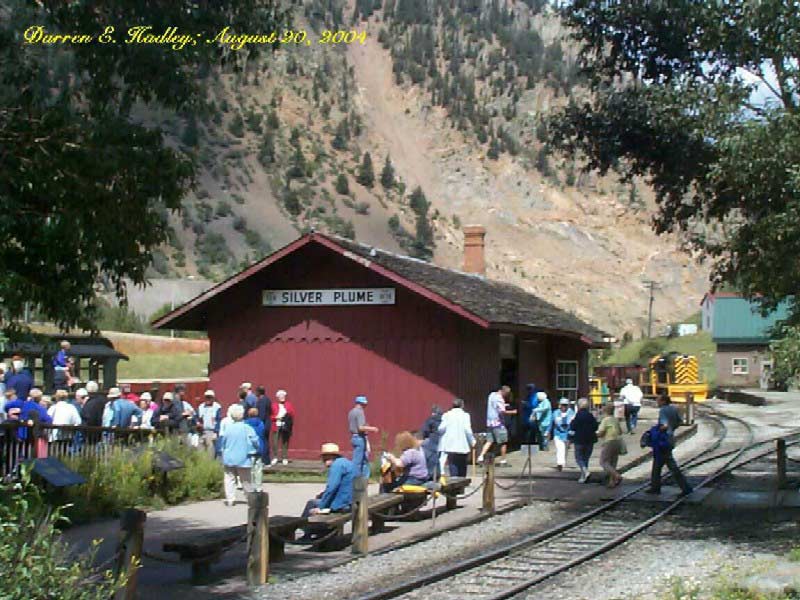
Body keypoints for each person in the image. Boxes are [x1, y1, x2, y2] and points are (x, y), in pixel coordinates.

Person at [299, 443, 355, 542]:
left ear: (329, 457)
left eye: (324, 457)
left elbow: (331, 488)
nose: (323, 460)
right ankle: (315, 532)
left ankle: (307, 532)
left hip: (341, 505)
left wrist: (321, 507)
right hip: (351, 502)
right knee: (317, 499)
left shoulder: (336, 466)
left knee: (311, 504)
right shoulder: (346, 463)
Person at [647, 395, 693, 496]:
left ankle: (685, 488)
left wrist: (655, 431)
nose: (657, 402)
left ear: (663, 401)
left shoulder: (663, 410)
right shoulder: (673, 409)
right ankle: (655, 487)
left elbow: (664, 425)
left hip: (663, 440)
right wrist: (672, 429)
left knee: (668, 465)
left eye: (658, 400)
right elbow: (679, 422)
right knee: (658, 464)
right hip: (670, 438)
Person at [220, 404, 260, 506]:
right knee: (246, 480)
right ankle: (250, 498)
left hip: (229, 457)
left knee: (229, 479)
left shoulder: (228, 428)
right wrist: (256, 448)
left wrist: (222, 451)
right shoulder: (247, 428)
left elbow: (223, 442)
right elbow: (255, 440)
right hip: (243, 457)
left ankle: (230, 499)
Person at [437, 398, 476, 477]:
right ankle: (461, 484)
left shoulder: (447, 415)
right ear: (462, 405)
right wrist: (472, 441)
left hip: (450, 444)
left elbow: (441, 428)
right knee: (462, 465)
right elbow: (467, 429)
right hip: (462, 444)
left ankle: (454, 482)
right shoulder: (465, 415)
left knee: (453, 465)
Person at [477, 385, 514, 466]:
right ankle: (503, 461)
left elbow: (495, 406)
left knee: (489, 441)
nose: (506, 395)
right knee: (503, 442)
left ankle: (480, 457)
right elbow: (502, 411)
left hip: (490, 423)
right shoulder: (500, 399)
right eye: (506, 394)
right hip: (498, 423)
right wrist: (513, 412)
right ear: (504, 392)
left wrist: (505, 405)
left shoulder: (492, 395)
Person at [569, 398, 598, 483]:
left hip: (579, 440)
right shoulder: (591, 416)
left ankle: (585, 472)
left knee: (579, 458)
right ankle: (583, 476)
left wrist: (570, 438)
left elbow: (572, 427)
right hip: (590, 440)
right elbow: (595, 426)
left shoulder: (577, 416)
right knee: (586, 458)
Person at [348, 395, 378, 479]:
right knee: (358, 461)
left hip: (354, 437)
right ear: (362, 404)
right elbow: (360, 427)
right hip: (359, 437)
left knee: (363, 459)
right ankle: (356, 480)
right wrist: (372, 428)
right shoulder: (360, 412)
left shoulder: (351, 412)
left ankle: (363, 479)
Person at [596, 403, 624, 487]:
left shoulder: (605, 420)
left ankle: (617, 476)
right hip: (618, 441)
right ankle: (612, 482)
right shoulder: (615, 419)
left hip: (609, 441)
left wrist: (595, 434)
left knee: (603, 462)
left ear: (605, 410)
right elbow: (620, 431)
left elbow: (601, 432)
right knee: (613, 462)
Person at [270, 389, 295, 465]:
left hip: (285, 425)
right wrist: (276, 417)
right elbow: (270, 416)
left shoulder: (289, 405)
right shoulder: (273, 405)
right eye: (280, 396)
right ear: (277, 397)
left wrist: (286, 416)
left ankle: (284, 457)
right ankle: (275, 457)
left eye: (283, 396)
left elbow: (292, 414)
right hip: (276, 424)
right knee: (275, 442)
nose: (282, 397)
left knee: (285, 442)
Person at [245, 406, 266, 490]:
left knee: (251, 468)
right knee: (258, 468)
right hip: (259, 447)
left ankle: (252, 485)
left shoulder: (246, 423)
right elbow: (262, 433)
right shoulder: (261, 423)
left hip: (249, 448)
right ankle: (259, 485)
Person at [552, 398, 575, 471]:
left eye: (565, 405)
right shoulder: (555, 413)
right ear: (560, 405)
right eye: (562, 405)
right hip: (558, 434)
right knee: (560, 448)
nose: (564, 407)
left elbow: (574, 423)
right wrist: (547, 432)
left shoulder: (571, 413)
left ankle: (563, 462)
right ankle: (560, 463)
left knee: (565, 449)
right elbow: (551, 422)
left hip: (567, 434)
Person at [197, 390, 222, 457]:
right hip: (201, 432)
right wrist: (198, 423)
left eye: (210, 397)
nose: (208, 399)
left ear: (213, 398)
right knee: (200, 452)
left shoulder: (217, 407)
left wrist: (216, 432)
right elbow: (197, 417)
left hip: (211, 432)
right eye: (206, 397)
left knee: (210, 452)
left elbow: (219, 420)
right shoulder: (201, 406)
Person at [420, 405, 443, 478]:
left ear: (433, 413)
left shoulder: (430, 420)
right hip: (442, 440)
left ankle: (431, 474)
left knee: (431, 458)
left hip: (432, 440)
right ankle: (438, 474)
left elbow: (424, 430)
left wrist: (425, 438)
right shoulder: (444, 420)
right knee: (439, 458)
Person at [256, 385, 272, 466]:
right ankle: (267, 460)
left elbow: (262, 414)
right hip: (268, 422)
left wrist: (259, 423)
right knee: (266, 441)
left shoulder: (262, 401)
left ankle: (264, 460)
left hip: (263, 423)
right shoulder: (268, 400)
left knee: (263, 441)